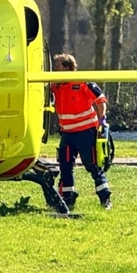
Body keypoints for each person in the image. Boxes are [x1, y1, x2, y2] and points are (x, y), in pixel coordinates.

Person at [51, 53, 112, 210]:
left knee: (92, 165)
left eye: (57, 67)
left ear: (67, 68)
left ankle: (105, 198)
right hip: (67, 134)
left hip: (86, 132)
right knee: (65, 165)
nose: (53, 70)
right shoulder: (55, 86)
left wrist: (102, 120)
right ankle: (67, 199)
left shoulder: (82, 82)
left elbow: (100, 100)